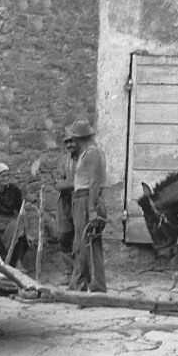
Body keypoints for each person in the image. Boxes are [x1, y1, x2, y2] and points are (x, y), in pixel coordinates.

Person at [66, 119, 107, 293]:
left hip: (85, 200)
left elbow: (94, 183)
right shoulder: (88, 153)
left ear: (79, 138)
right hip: (81, 199)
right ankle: (81, 284)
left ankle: (94, 286)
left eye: (73, 139)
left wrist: (91, 210)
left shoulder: (91, 154)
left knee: (86, 245)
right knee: (82, 243)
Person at [55, 133, 79, 285]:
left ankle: (80, 274)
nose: (70, 145)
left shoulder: (85, 159)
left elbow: (90, 182)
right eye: (67, 142)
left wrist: (68, 183)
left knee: (81, 238)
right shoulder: (64, 161)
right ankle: (68, 272)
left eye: (73, 141)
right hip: (65, 203)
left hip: (81, 202)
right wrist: (75, 183)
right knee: (64, 236)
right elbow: (58, 184)